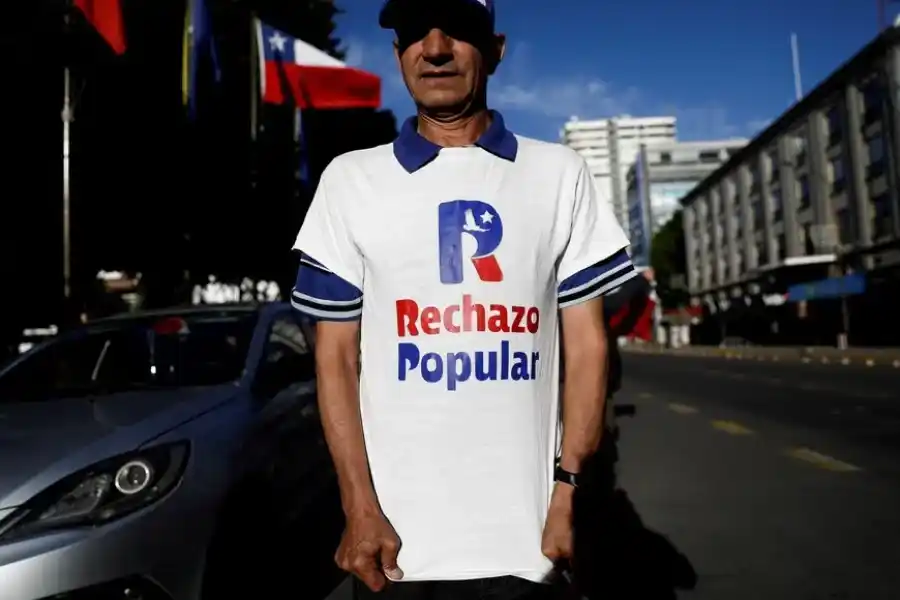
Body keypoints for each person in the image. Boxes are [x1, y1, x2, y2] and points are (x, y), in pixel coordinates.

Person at [290, 1, 638, 598]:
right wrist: (357, 507)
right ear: (399, 54)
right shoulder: (350, 181)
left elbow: (585, 346)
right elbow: (335, 359)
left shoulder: (559, 173)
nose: (436, 47)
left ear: (496, 50)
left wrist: (570, 494)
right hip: (396, 554)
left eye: (457, 29)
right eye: (415, 34)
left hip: (530, 547)